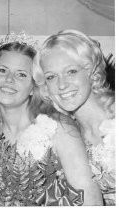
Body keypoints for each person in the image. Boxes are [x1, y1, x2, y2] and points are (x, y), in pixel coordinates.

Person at [0, 33, 103, 206]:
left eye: (21, 74)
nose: (9, 79)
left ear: (33, 87)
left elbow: (92, 202)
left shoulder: (58, 127)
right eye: (2, 70)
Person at [33, 29, 115, 205]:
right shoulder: (65, 134)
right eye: (51, 77)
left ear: (90, 71)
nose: (62, 85)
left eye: (71, 71)